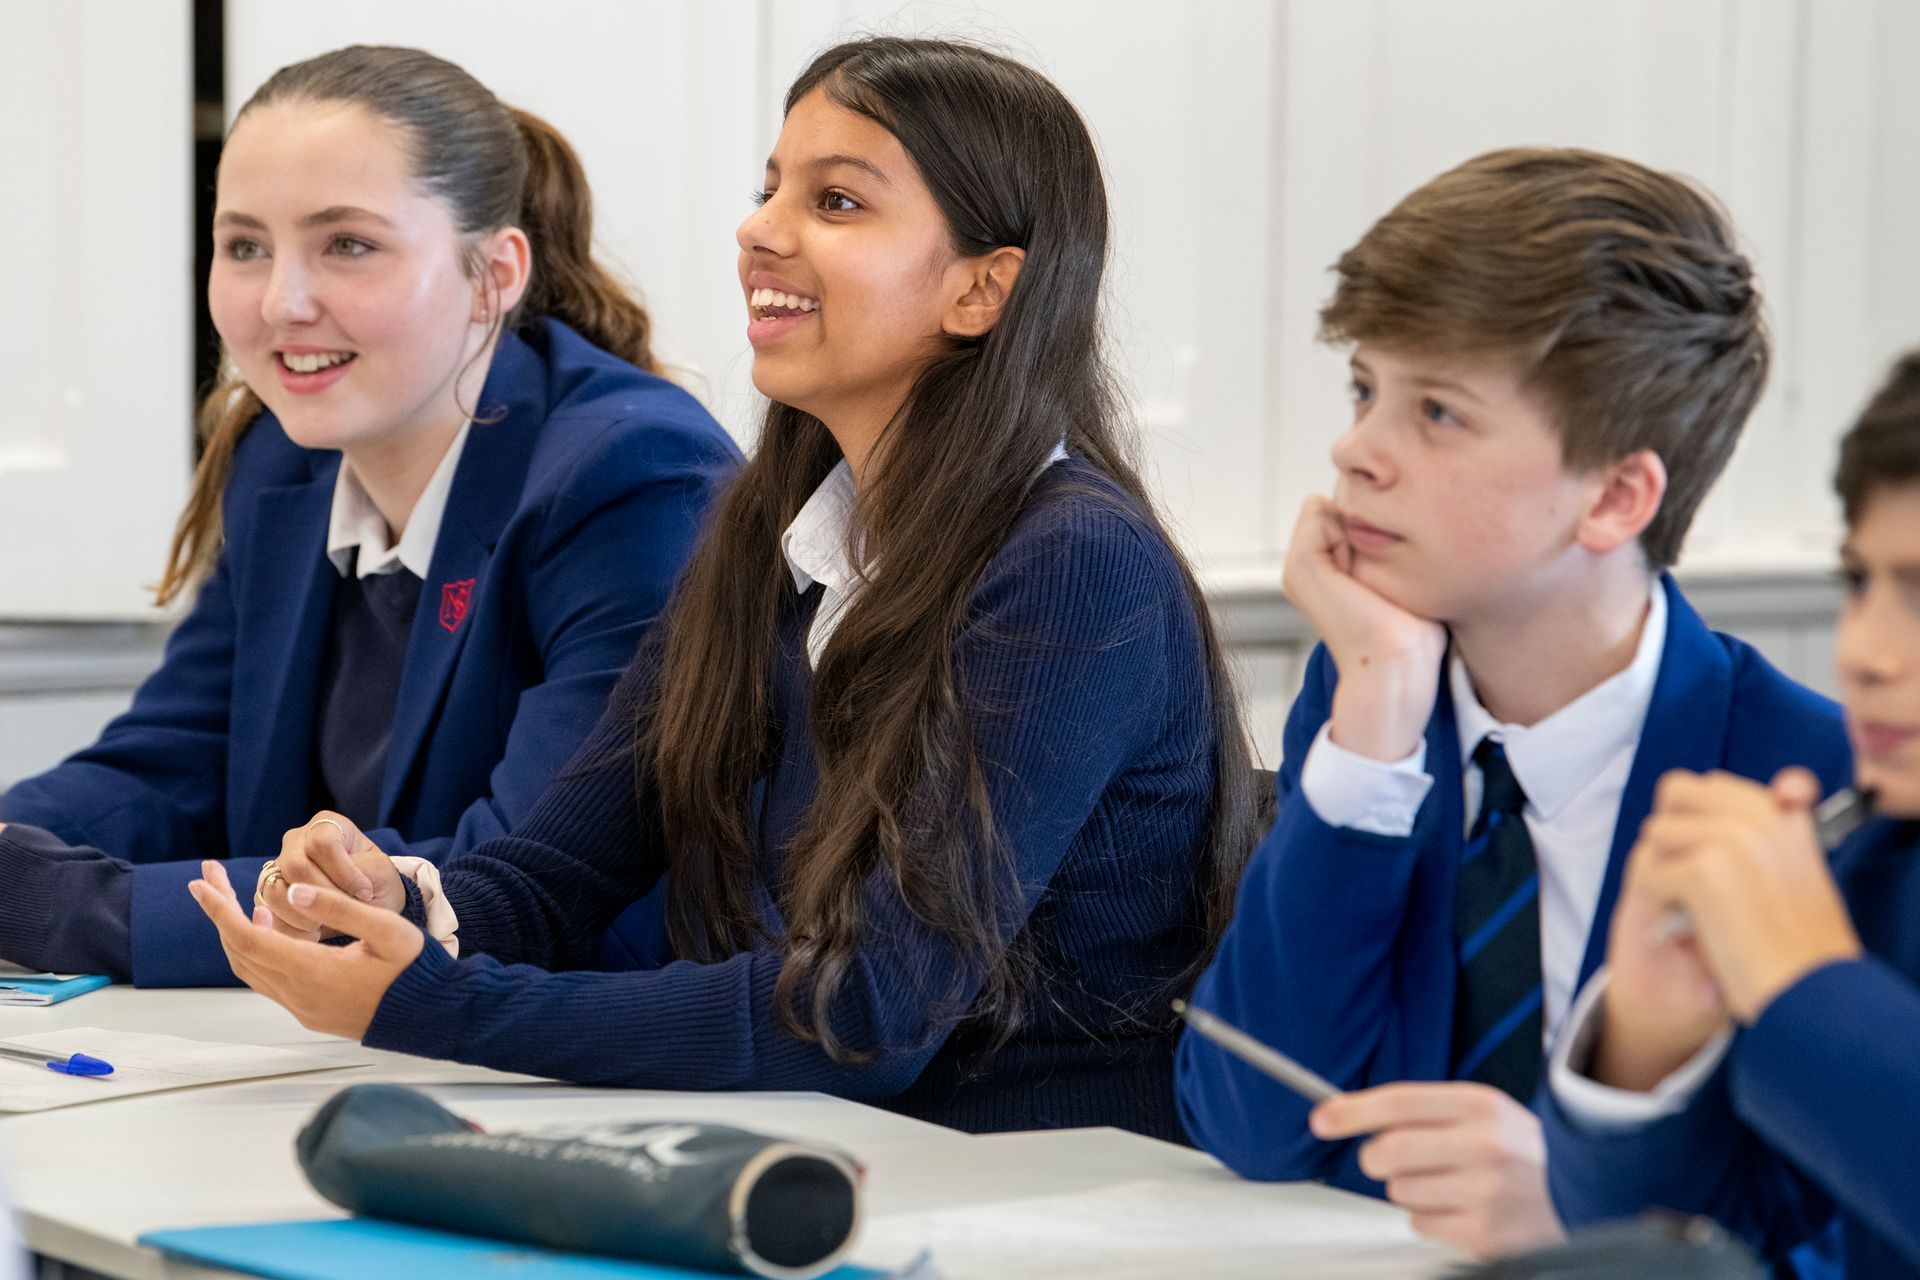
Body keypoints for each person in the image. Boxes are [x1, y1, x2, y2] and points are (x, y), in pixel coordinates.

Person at [190, 35, 1255, 1140]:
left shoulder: (1073, 561)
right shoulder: (765, 536)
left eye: (837, 201)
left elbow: (865, 1014)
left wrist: (433, 1001)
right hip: (823, 1152)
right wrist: (393, 903)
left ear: (984, 287)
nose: (760, 230)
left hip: (1036, 1188)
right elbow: (553, 876)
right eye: (770, 190)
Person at [1174, 148, 1850, 1255]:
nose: (1355, 450)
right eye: (1364, 389)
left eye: (1436, 410)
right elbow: (1250, 1121)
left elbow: (1861, 1227)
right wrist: (1373, 725)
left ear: (1616, 494)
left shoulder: (1804, 783)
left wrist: (1598, 1206)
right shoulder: (1368, 704)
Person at [0, 45, 739, 987]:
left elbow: (501, 884)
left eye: (348, 244)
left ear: (493, 273)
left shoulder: (631, 475)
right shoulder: (285, 460)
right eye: (245, 246)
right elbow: (170, 768)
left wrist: (58, 906)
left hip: (576, 1064)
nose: (281, 303)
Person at [1543, 352, 1920, 1280]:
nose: (1865, 652)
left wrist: (1805, 985)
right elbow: (1730, 1240)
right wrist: (1645, 1047)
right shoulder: (1880, 857)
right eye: (1861, 582)